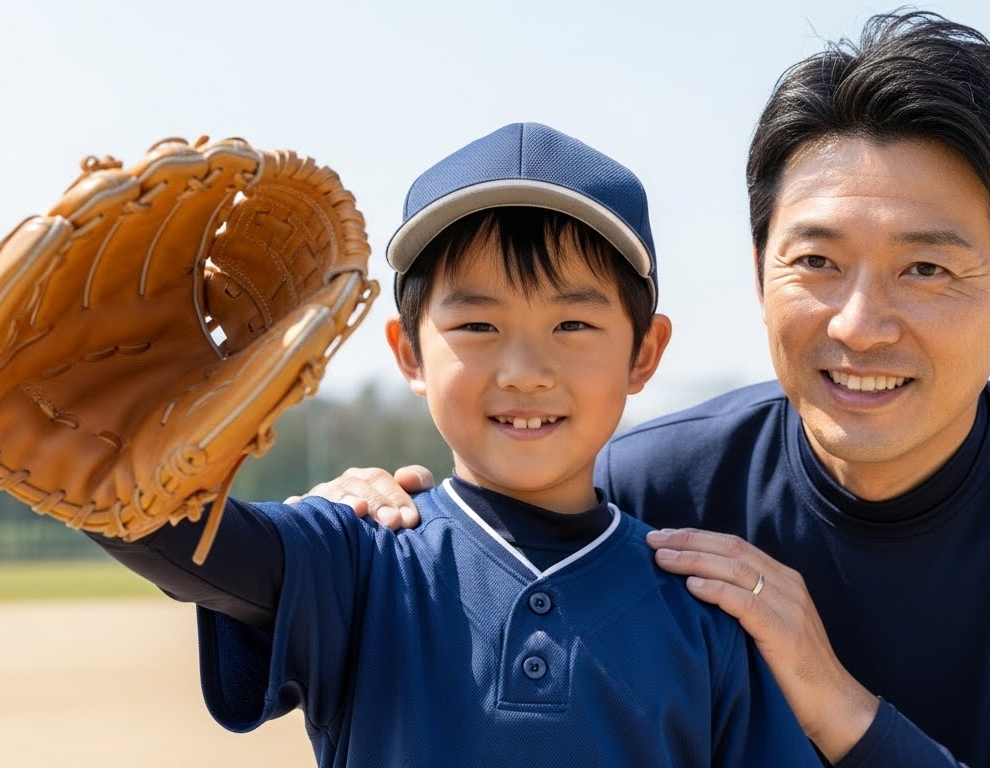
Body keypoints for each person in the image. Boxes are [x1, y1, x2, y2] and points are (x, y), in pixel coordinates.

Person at [299, 12, 990, 767]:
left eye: (926, 271)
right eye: (816, 260)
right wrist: (359, 529)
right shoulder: (643, 491)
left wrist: (838, 708)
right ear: (757, 274)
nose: (859, 323)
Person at [89, 122, 819, 767]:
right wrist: (103, 428)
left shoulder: (702, 615)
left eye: (572, 326)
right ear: (408, 352)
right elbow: (164, 529)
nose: (525, 372)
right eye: (477, 326)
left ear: (643, 354)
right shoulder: (359, 558)